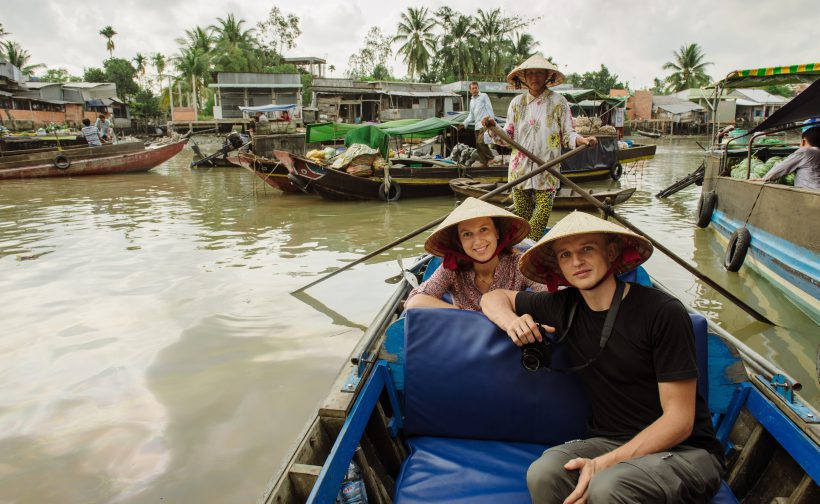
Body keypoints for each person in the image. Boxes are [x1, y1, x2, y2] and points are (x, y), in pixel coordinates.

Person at [480, 211, 725, 504]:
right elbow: (493, 297)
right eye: (565, 255)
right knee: (544, 473)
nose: (577, 262)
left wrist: (605, 463)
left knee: (608, 486)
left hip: (686, 451)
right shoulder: (564, 306)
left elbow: (679, 421)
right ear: (558, 266)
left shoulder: (662, 312)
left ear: (610, 252)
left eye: (587, 249)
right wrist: (512, 322)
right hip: (610, 440)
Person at [490, 54, 597, 241]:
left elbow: (568, 134)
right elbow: (508, 137)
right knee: (522, 218)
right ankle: (523, 252)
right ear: (523, 77)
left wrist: (582, 140)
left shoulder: (558, 102)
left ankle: (526, 254)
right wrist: (493, 128)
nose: (534, 77)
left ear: (547, 75)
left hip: (548, 168)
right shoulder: (517, 104)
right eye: (530, 73)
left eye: (539, 73)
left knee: (540, 217)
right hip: (520, 171)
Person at [405, 197, 546, 312]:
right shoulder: (452, 269)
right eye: (467, 234)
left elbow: (551, 298)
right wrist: (459, 312)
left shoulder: (519, 265)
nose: (478, 241)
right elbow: (414, 301)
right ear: (459, 241)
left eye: (484, 229)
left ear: (496, 232)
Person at [751, 122, 820, 189]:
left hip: (809, 192)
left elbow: (783, 166)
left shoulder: (806, 152)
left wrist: (765, 178)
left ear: (803, 141)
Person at [458, 81, 495, 167]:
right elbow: (471, 116)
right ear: (470, 90)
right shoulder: (471, 101)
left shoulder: (484, 96)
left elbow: (490, 109)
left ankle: (491, 158)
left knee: (481, 142)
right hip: (477, 126)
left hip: (485, 124)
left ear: (478, 88)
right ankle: (484, 162)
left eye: (476, 88)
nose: (474, 90)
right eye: (472, 88)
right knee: (478, 145)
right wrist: (464, 124)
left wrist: (490, 120)